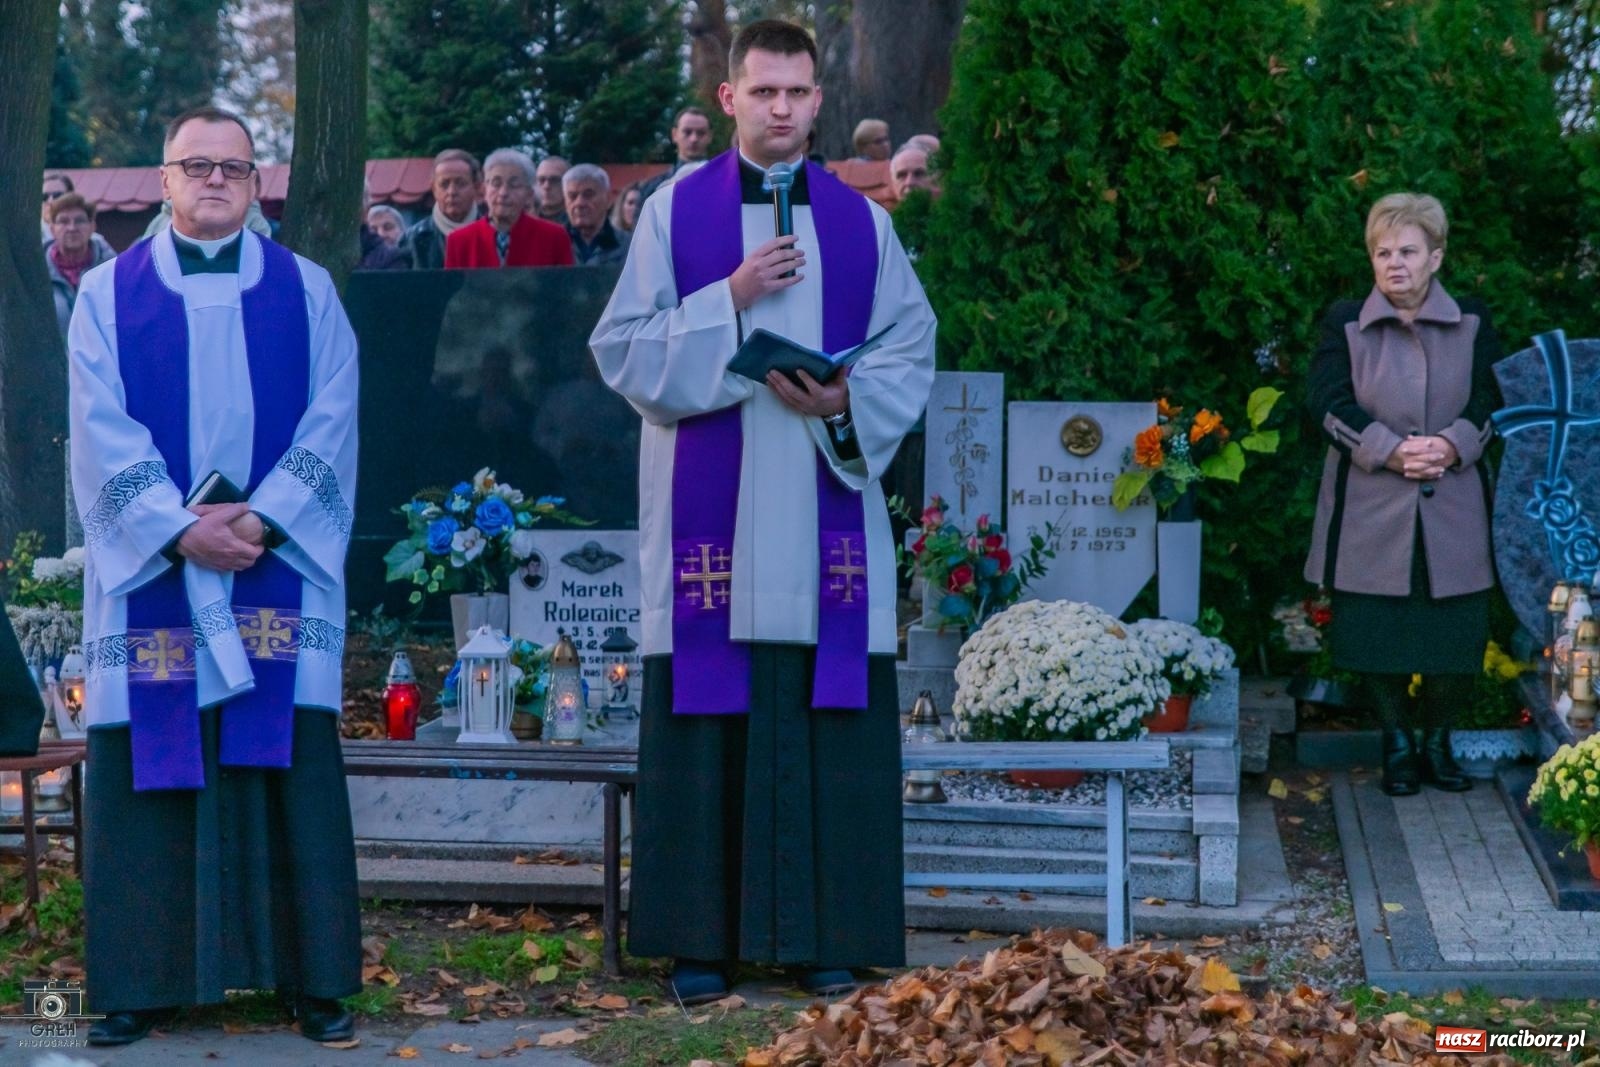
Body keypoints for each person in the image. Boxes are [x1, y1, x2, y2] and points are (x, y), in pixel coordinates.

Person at [591, 19, 935, 1005]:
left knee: (824, 715)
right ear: (728, 97)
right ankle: (700, 942)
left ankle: (823, 936)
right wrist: (730, 299)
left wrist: (846, 401)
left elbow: (909, 345)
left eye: (798, 91)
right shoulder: (671, 214)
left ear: (818, 101)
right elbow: (622, 349)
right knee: (708, 718)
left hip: (822, 513)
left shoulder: (862, 222)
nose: (781, 106)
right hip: (714, 525)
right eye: (763, 90)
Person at [68, 105, 362, 1046]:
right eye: (196, 165)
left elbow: (333, 416)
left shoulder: (307, 289)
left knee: (284, 757)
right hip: (158, 570)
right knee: (152, 762)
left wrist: (267, 520)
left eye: (233, 167)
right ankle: (136, 983)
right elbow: (97, 427)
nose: (214, 181)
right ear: (163, 179)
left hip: (269, 562)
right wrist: (170, 528)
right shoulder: (107, 295)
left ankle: (310, 979)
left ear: (255, 182)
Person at [1305, 192, 1500, 798]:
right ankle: (1396, 745)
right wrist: (1390, 449)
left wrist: (1452, 445)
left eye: (1408, 251)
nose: (1394, 264)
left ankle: (1438, 743)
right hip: (1371, 506)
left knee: (1456, 638)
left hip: (1456, 504)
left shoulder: (1472, 320)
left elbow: (1493, 401)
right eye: (1382, 252)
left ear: (1435, 256)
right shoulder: (1344, 321)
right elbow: (1326, 403)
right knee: (1374, 633)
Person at [444, 149, 574, 269]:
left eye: (514, 185)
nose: (503, 193)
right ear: (484, 190)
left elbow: (567, 290)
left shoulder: (554, 237)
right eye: (496, 183)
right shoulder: (459, 241)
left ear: (529, 193)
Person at [45, 192, 116, 344]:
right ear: (52, 229)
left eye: (79, 221)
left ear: (92, 226)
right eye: (63, 221)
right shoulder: (37, 273)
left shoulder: (113, 271)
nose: (72, 228)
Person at [407, 148, 482, 270]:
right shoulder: (412, 240)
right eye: (444, 184)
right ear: (433, 189)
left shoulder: (494, 236)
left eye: (461, 183)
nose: (452, 192)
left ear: (476, 186)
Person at [637, 107, 715, 206]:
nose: (694, 139)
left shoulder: (727, 183)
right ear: (674, 134)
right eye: (687, 132)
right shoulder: (652, 188)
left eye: (701, 133)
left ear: (710, 136)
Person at [564, 164, 631, 266]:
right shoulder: (551, 245)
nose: (579, 203)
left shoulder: (630, 245)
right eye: (572, 196)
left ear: (608, 199)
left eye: (588, 195)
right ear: (565, 202)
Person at [42, 172, 116, 257]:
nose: (50, 201)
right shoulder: (27, 240)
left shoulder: (98, 244)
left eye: (57, 195)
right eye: (44, 197)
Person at [534, 156, 571, 226]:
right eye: (541, 180)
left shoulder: (578, 223)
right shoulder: (522, 221)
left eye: (555, 180)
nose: (546, 186)